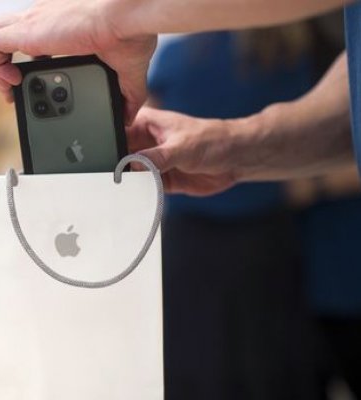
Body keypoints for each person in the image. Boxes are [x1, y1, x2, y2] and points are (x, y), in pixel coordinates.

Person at [0, 0, 360, 394]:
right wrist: (235, 147)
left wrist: (111, 18)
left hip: (205, 252)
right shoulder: (299, 52)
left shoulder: (181, 58)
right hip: (263, 253)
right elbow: (352, 97)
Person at [150, 22, 335, 400]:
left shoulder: (176, 56)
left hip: (190, 244)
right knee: (269, 370)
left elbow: (144, 140)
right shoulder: (292, 54)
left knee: (195, 366)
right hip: (265, 241)